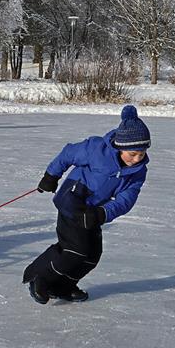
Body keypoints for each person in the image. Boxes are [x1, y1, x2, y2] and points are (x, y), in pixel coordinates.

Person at [22, 105, 150, 304]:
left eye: (141, 154)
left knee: (92, 255)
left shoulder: (138, 171)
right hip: (72, 199)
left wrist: (102, 213)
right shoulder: (96, 149)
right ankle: (40, 277)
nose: (137, 159)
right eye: (132, 154)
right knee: (75, 249)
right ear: (120, 146)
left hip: (93, 211)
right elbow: (68, 154)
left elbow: (127, 199)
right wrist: (51, 176)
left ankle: (62, 287)